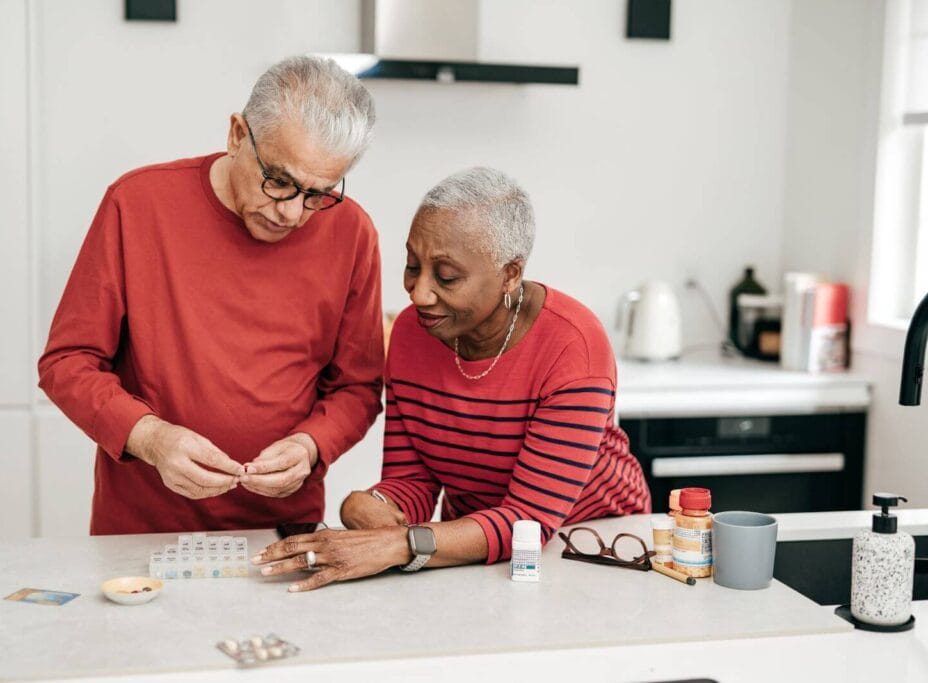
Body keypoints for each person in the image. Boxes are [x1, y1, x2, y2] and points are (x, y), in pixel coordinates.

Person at [253, 167, 651, 591]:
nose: (419, 293)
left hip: (600, 549)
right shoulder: (412, 332)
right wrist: (367, 506)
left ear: (510, 274)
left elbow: (528, 521)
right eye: (412, 265)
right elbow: (415, 481)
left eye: (446, 277)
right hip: (478, 553)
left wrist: (399, 545)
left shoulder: (573, 348)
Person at [38, 56, 384, 534]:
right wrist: (152, 438)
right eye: (279, 181)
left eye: (317, 194)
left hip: (282, 530)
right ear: (238, 135)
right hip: (144, 531)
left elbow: (357, 387)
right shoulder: (137, 204)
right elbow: (67, 363)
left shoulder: (352, 233)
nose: (291, 213)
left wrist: (311, 444)